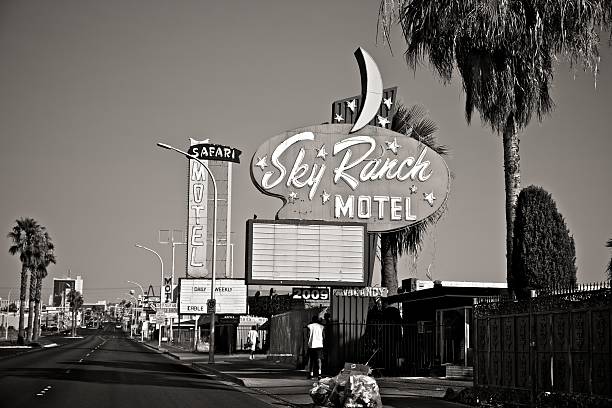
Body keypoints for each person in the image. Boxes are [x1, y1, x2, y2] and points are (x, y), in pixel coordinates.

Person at [307, 315, 325, 379]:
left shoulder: (309, 326)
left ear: (312, 320)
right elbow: (324, 336)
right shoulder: (321, 327)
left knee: (311, 360)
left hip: (311, 345)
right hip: (319, 345)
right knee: (319, 360)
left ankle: (311, 374)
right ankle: (319, 374)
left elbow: (308, 335)